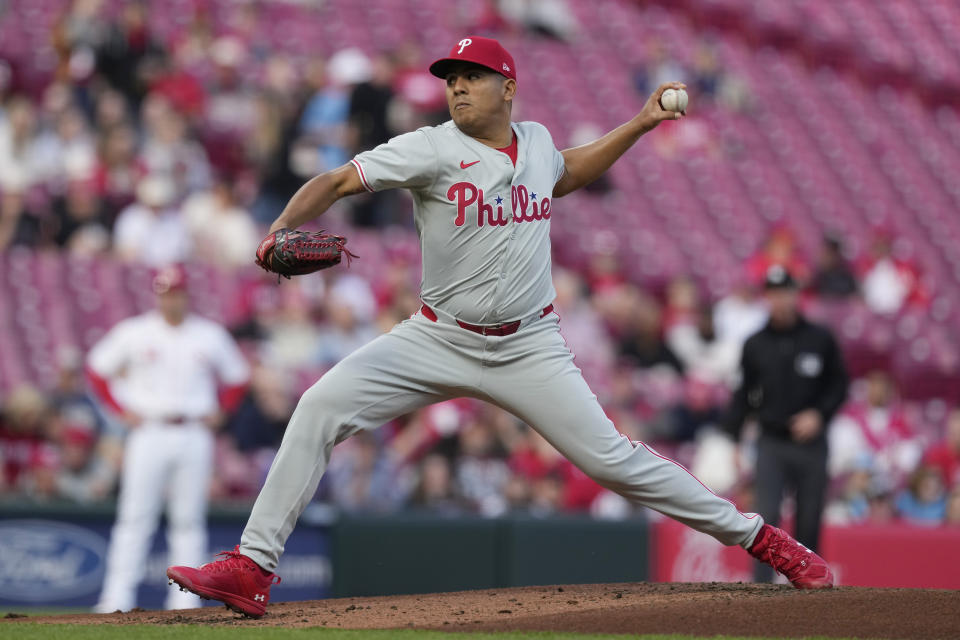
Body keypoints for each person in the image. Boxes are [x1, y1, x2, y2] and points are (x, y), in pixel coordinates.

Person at [168, 36, 834, 618]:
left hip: (529, 345)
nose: (456, 87)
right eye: (450, 79)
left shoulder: (538, 141)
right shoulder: (430, 148)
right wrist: (281, 228)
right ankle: (254, 566)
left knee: (615, 461)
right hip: (437, 337)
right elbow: (341, 180)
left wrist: (638, 122)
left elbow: (567, 171)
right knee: (319, 406)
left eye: (471, 77)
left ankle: (764, 540)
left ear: (507, 87)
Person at [88, 264, 249, 612]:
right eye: (165, 294)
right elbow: (97, 369)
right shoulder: (136, 331)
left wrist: (222, 409)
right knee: (134, 518)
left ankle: (184, 602)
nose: (171, 300)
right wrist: (119, 409)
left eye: (176, 293)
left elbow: (238, 377)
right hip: (150, 430)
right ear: (157, 295)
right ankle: (116, 598)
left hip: (193, 431)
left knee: (188, 520)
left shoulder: (208, 334)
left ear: (187, 294)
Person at [725, 266, 849, 580]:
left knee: (809, 519)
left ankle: (808, 594)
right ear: (766, 297)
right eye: (773, 293)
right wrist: (735, 440)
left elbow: (839, 385)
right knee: (765, 520)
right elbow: (743, 394)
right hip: (772, 441)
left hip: (811, 443)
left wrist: (819, 414)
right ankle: (762, 593)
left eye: (785, 292)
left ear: (796, 294)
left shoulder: (819, 338)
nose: (780, 299)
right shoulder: (755, 344)